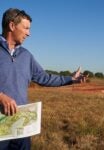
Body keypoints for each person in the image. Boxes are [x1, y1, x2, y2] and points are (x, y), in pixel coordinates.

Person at [0, 8, 87, 150]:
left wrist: (71, 79)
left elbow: (44, 77)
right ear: (11, 26)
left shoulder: (26, 55)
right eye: (26, 28)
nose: (29, 33)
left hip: (20, 125)